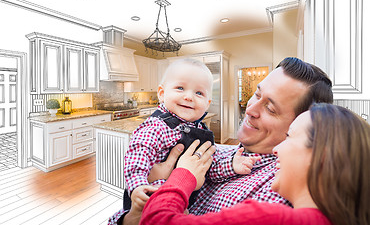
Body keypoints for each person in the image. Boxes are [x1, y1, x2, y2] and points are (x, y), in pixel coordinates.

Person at [108, 57, 334, 225]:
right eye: (256, 94)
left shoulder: (275, 194)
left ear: (300, 124)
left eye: (271, 109)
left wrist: (178, 177)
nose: (250, 109)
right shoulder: (230, 152)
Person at [140, 103, 370, 225]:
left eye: (289, 137)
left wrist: (181, 176)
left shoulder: (270, 217)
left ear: (321, 156)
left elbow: (156, 222)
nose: (277, 150)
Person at [123, 58, 259, 220]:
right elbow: (136, 159)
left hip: (183, 206)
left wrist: (231, 165)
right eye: (180, 88)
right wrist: (137, 186)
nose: (189, 97)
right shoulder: (156, 127)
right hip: (148, 200)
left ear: (207, 103)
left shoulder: (202, 132)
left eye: (199, 93)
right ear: (162, 93)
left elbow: (209, 168)